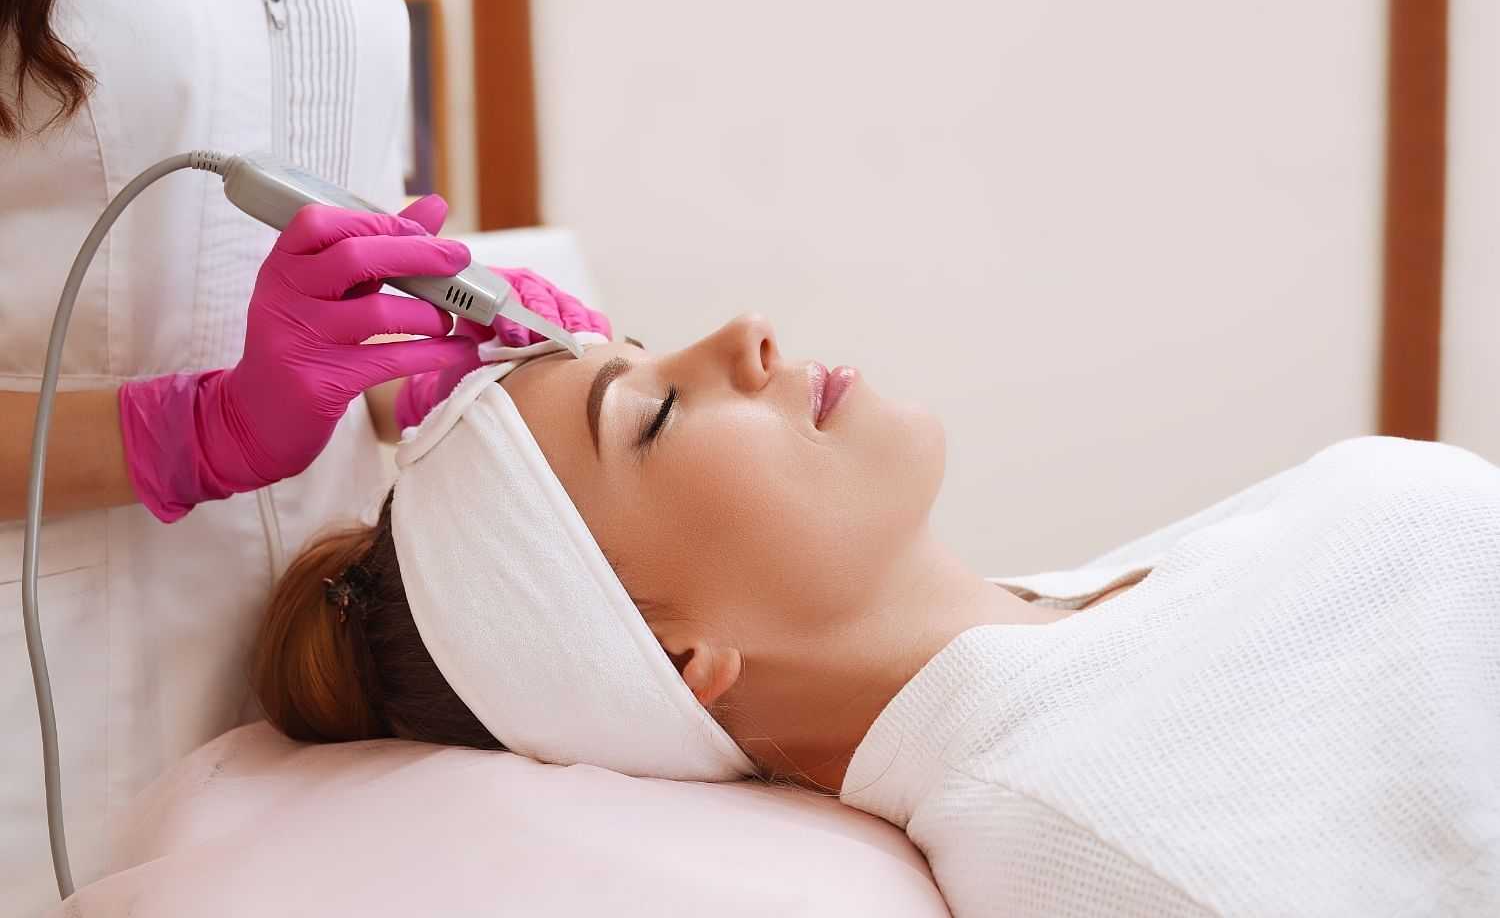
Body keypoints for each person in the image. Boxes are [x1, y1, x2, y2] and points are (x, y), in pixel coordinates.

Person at [254, 314, 1500, 916]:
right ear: (681, 657)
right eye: (657, 413)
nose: (744, 334)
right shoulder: (1099, 837)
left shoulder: (1091, 622)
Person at [0, 0, 607, 910]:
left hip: (320, 695)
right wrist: (193, 430)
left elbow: (333, 310)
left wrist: (428, 361)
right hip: (52, 702)